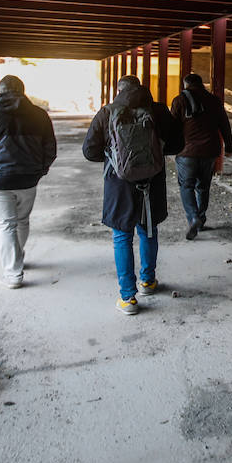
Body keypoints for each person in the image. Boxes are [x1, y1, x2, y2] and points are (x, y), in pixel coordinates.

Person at [82, 76, 179, 315]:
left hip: (119, 184)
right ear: (142, 89)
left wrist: (114, 157)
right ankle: (148, 282)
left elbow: (89, 150)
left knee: (122, 237)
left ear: (119, 91)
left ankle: (128, 298)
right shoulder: (158, 111)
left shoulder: (107, 112)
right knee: (148, 230)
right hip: (152, 182)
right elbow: (178, 144)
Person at [0, 75, 57, 289]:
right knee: (22, 220)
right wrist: (40, 170)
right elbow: (50, 148)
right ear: (22, 91)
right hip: (28, 178)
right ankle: (18, 257)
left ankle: (13, 273)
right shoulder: (39, 115)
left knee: (5, 225)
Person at [170, 72, 232, 240]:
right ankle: (201, 219)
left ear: (186, 85)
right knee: (203, 186)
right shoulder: (214, 100)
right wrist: (229, 147)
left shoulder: (180, 100)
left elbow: (172, 126)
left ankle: (193, 218)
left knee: (186, 186)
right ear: (201, 84)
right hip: (209, 151)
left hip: (187, 152)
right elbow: (224, 125)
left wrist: (169, 147)